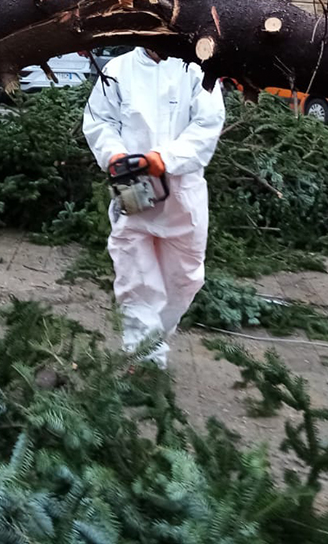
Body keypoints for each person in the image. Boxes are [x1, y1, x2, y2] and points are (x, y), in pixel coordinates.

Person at [83, 46, 226, 367]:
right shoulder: (118, 69)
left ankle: (154, 340)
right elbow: (98, 120)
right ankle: (144, 361)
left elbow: (208, 124)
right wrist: (114, 155)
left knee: (185, 278)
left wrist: (166, 159)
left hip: (183, 195)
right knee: (134, 277)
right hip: (133, 191)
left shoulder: (197, 69)